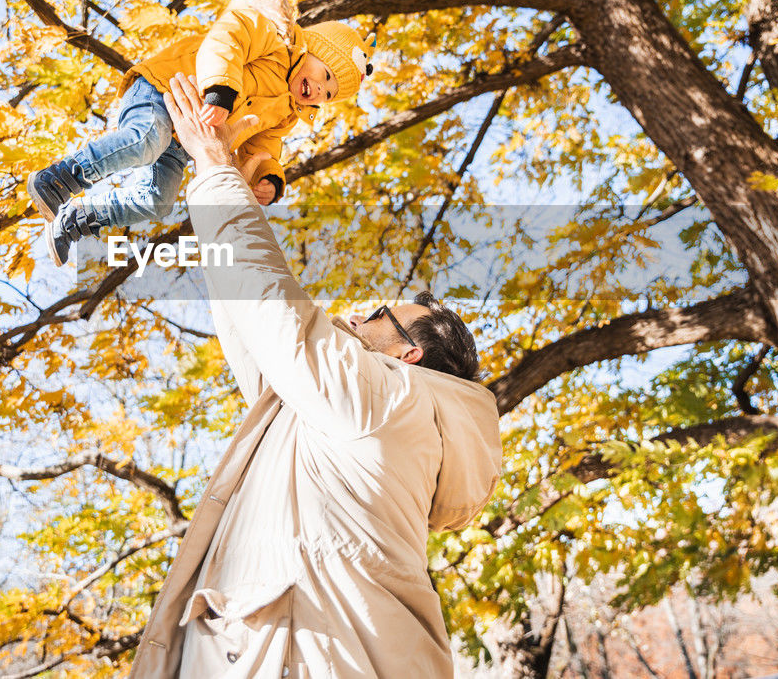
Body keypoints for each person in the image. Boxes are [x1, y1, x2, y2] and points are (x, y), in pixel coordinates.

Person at [127, 73, 503, 678]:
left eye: (381, 316)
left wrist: (217, 169)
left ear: (408, 356)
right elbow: (257, 328)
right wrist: (228, 193)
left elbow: (279, 317)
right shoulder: (338, 416)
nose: (355, 313)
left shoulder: (394, 401)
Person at [26, 0, 375, 264]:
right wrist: (220, 91)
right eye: (326, 76)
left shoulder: (286, 113)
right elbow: (227, 40)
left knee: (158, 201)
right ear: (313, 49)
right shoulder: (275, 37)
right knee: (146, 141)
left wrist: (270, 177)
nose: (319, 91)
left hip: (184, 139)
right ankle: (61, 178)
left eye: (329, 95)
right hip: (166, 90)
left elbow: (263, 144)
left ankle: (79, 219)